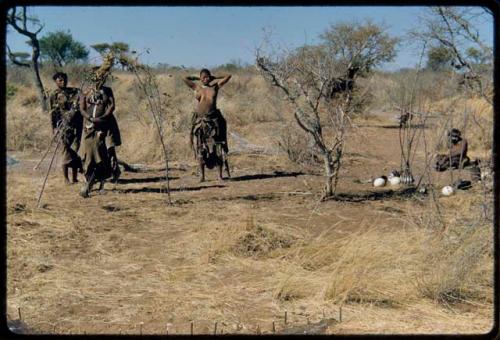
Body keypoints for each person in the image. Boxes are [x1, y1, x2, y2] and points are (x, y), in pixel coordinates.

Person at [182, 68, 231, 182]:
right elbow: (184, 78)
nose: (206, 79)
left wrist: (215, 77)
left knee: (218, 147)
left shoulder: (215, 87)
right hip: (201, 122)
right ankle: (202, 176)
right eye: (203, 77)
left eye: (207, 77)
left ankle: (220, 176)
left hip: (214, 121)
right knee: (201, 149)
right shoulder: (196, 87)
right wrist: (196, 77)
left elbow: (228, 75)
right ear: (200, 78)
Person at [78, 75, 118, 197]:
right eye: (95, 78)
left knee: (101, 153)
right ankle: (88, 182)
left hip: (102, 126)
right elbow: (82, 108)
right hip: (88, 127)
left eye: (101, 78)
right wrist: (89, 118)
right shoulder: (86, 91)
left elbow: (111, 106)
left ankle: (101, 184)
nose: (98, 81)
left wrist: (103, 118)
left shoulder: (107, 90)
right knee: (87, 154)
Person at [48, 72, 83, 184]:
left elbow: (82, 106)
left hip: (76, 126)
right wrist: (54, 129)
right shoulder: (54, 95)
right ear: (56, 81)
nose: (63, 82)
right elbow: (53, 113)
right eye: (60, 80)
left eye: (64, 79)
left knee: (75, 149)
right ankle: (65, 178)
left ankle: (74, 177)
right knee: (65, 151)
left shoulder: (75, 92)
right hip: (63, 126)